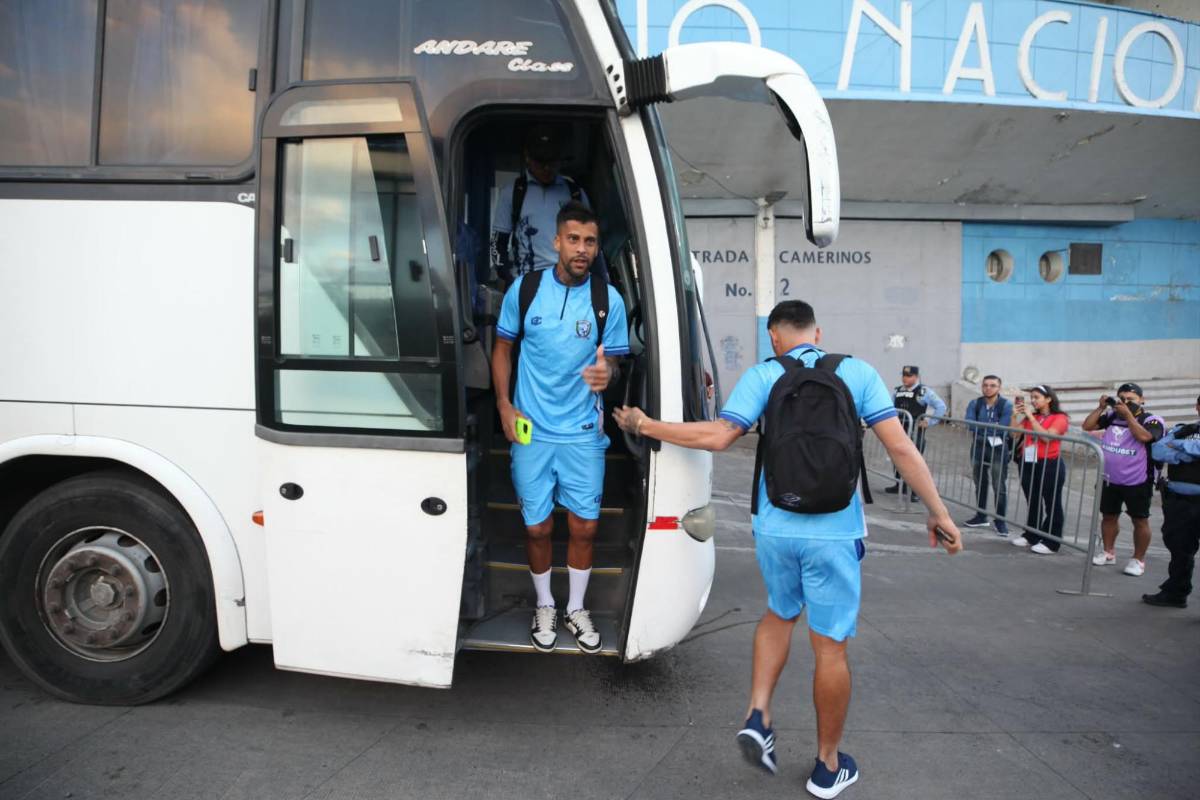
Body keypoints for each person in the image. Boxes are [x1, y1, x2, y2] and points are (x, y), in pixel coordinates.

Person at [612, 300, 962, 800]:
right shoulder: (858, 372)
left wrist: (644, 425)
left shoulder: (764, 374)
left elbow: (717, 437)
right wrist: (939, 513)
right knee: (830, 647)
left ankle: (759, 711)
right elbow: (901, 447)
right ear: (817, 333)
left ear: (775, 337)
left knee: (779, 612)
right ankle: (827, 766)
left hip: (775, 526)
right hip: (835, 532)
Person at [491, 202, 629, 653]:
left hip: (583, 433)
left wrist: (609, 373)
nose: (582, 249)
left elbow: (617, 361)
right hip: (531, 430)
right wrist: (504, 405)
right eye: (573, 239)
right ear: (556, 241)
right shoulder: (525, 289)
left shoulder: (609, 300)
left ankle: (576, 608)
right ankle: (545, 604)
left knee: (585, 527)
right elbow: (503, 347)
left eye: (589, 241)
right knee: (537, 528)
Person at [491, 124, 603, 283]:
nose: (546, 168)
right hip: (527, 286)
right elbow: (497, 244)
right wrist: (508, 279)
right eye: (540, 161)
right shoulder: (513, 193)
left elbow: (593, 243)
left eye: (552, 161)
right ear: (527, 157)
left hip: (571, 285)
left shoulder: (575, 192)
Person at [1082, 382, 1165, 577]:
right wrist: (1101, 407)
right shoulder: (1112, 416)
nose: (1126, 403)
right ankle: (1108, 552)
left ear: (1142, 400)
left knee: (1140, 520)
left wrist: (1128, 416)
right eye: (1123, 399)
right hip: (1109, 478)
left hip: (1138, 480)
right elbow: (1087, 425)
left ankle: (1138, 560)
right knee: (1109, 516)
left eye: (1131, 400)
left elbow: (1145, 437)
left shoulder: (1151, 420)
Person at [1143, 396, 1200, 608]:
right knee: (1179, 550)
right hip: (1180, 502)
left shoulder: (1179, 436)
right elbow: (1158, 450)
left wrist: (1177, 447)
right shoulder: (1183, 429)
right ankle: (1176, 592)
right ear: (1197, 407)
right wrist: (1186, 452)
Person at [1011, 385, 1070, 555]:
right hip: (1029, 461)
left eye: (1037, 397)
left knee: (1052, 502)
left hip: (1049, 463)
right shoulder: (1032, 417)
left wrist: (1030, 416)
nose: (1033, 401)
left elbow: (1047, 437)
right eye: (1032, 398)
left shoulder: (1060, 418)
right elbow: (1014, 433)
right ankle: (1032, 534)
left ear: (1049, 399)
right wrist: (1015, 414)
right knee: (1033, 500)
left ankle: (1052, 541)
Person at [885, 365, 947, 499]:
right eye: (903, 375)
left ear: (916, 377)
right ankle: (899, 484)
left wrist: (929, 422)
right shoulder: (898, 391)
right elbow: (890, 407)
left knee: (914, 461)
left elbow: (941, 406)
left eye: (909, 376)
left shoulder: (924, 392)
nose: (905, 378)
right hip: (900, 429)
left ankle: (916, 491)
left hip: (915, 431)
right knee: (897, 458)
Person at [962, 375, 1012, 535]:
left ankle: (1000, 520)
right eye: (985, 385)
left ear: (999, 388)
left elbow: (1003, 427)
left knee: (999, 485)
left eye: (993, 385)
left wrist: (983, 428)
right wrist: (990, 428)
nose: (988, 388)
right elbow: (970, 424)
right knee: (979, 482)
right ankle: (981, 516)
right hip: (978, 447)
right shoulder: (975, 403)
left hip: (998, 449)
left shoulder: (1006, 405)